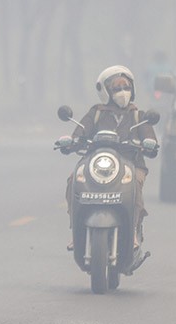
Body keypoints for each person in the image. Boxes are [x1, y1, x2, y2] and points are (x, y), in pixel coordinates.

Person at [65, 65, 158, 249]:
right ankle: (76, 231)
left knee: (135, 185)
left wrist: (149, 143)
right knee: (73, 180)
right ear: (106, 92)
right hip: (96, 164)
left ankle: (132, 231)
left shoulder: (139, 116)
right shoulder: (96, 113)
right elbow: (80, 132)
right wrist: (70, 141)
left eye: (126, 88)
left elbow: (150, 139)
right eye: (117, 89)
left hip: (132, 164)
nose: (122, 92)